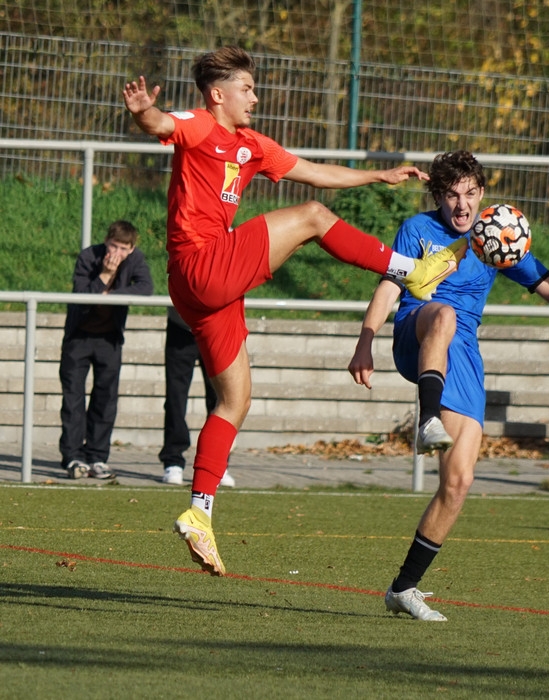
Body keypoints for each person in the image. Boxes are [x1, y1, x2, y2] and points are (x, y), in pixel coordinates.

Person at [122, 45, 464, 576]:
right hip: (202, 264)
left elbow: (313, 170)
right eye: (246, 89)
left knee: (235, 401)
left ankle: (200, 513)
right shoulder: (200, 125)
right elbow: (162, 123)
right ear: (217, 95)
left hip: (205, 290)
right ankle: (410, 271)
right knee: (311, 217)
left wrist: (378, 176)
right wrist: (144, 111)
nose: (255, 97)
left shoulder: (252, 145)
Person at [348, 150, 549, 620]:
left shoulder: (494, 236)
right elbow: (389, 287)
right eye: (451, 195)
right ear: (438, 197)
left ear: (482, 193)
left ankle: (404, 587)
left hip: (462, 355)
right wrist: (365, 342)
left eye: (469, 193)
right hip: (417, 329)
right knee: (443, 314)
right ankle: (427, 419)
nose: (461, 205)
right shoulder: (417, 230)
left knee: (459, 481)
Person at [59, 220, 153, 479]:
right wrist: (104, 275)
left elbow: (146, 288)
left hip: (109, 340)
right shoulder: (89, 256)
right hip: (78, 337)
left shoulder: (135, 260)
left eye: (123, 248)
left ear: (131, 249)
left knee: (106, 399)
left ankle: (97, 457)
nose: (117, 253)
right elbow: (81, 294)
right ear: (106, 241)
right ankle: (73, 457)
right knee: (73, 399)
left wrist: (111, 296)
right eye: (113, 246)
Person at [159, 306, 235, 488]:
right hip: (181, 327)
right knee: (176, 398)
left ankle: (218, 463)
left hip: (216, 329)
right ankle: (173, 461)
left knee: (219, 399)